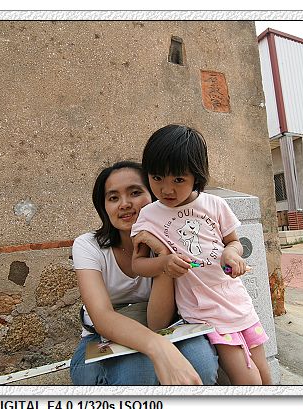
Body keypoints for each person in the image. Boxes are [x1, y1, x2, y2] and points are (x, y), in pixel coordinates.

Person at [131, 124, 273, 385]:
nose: (166, 189)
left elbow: (234, 242)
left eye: (178, 180)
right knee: (248, 378)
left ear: (196, 176)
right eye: (157, 178)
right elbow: (137, 264)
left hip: (236, 299)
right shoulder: (149, 215)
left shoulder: (215, 204)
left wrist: (231, 254)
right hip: (204, 310)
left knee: (264, 372)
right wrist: (164, 262)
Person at [69, 160, 219, 385]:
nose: (124, 204)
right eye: (113, 198)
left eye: (135, 192)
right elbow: (102, 317)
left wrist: (163, 255)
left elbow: (159, 322)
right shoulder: (88, 246)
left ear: (154, 196)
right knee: (137, 371)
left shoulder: (174, 238)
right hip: (103, 336)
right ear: (104, 207)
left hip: (165, 326)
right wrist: (158, 347)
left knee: (202, 364)